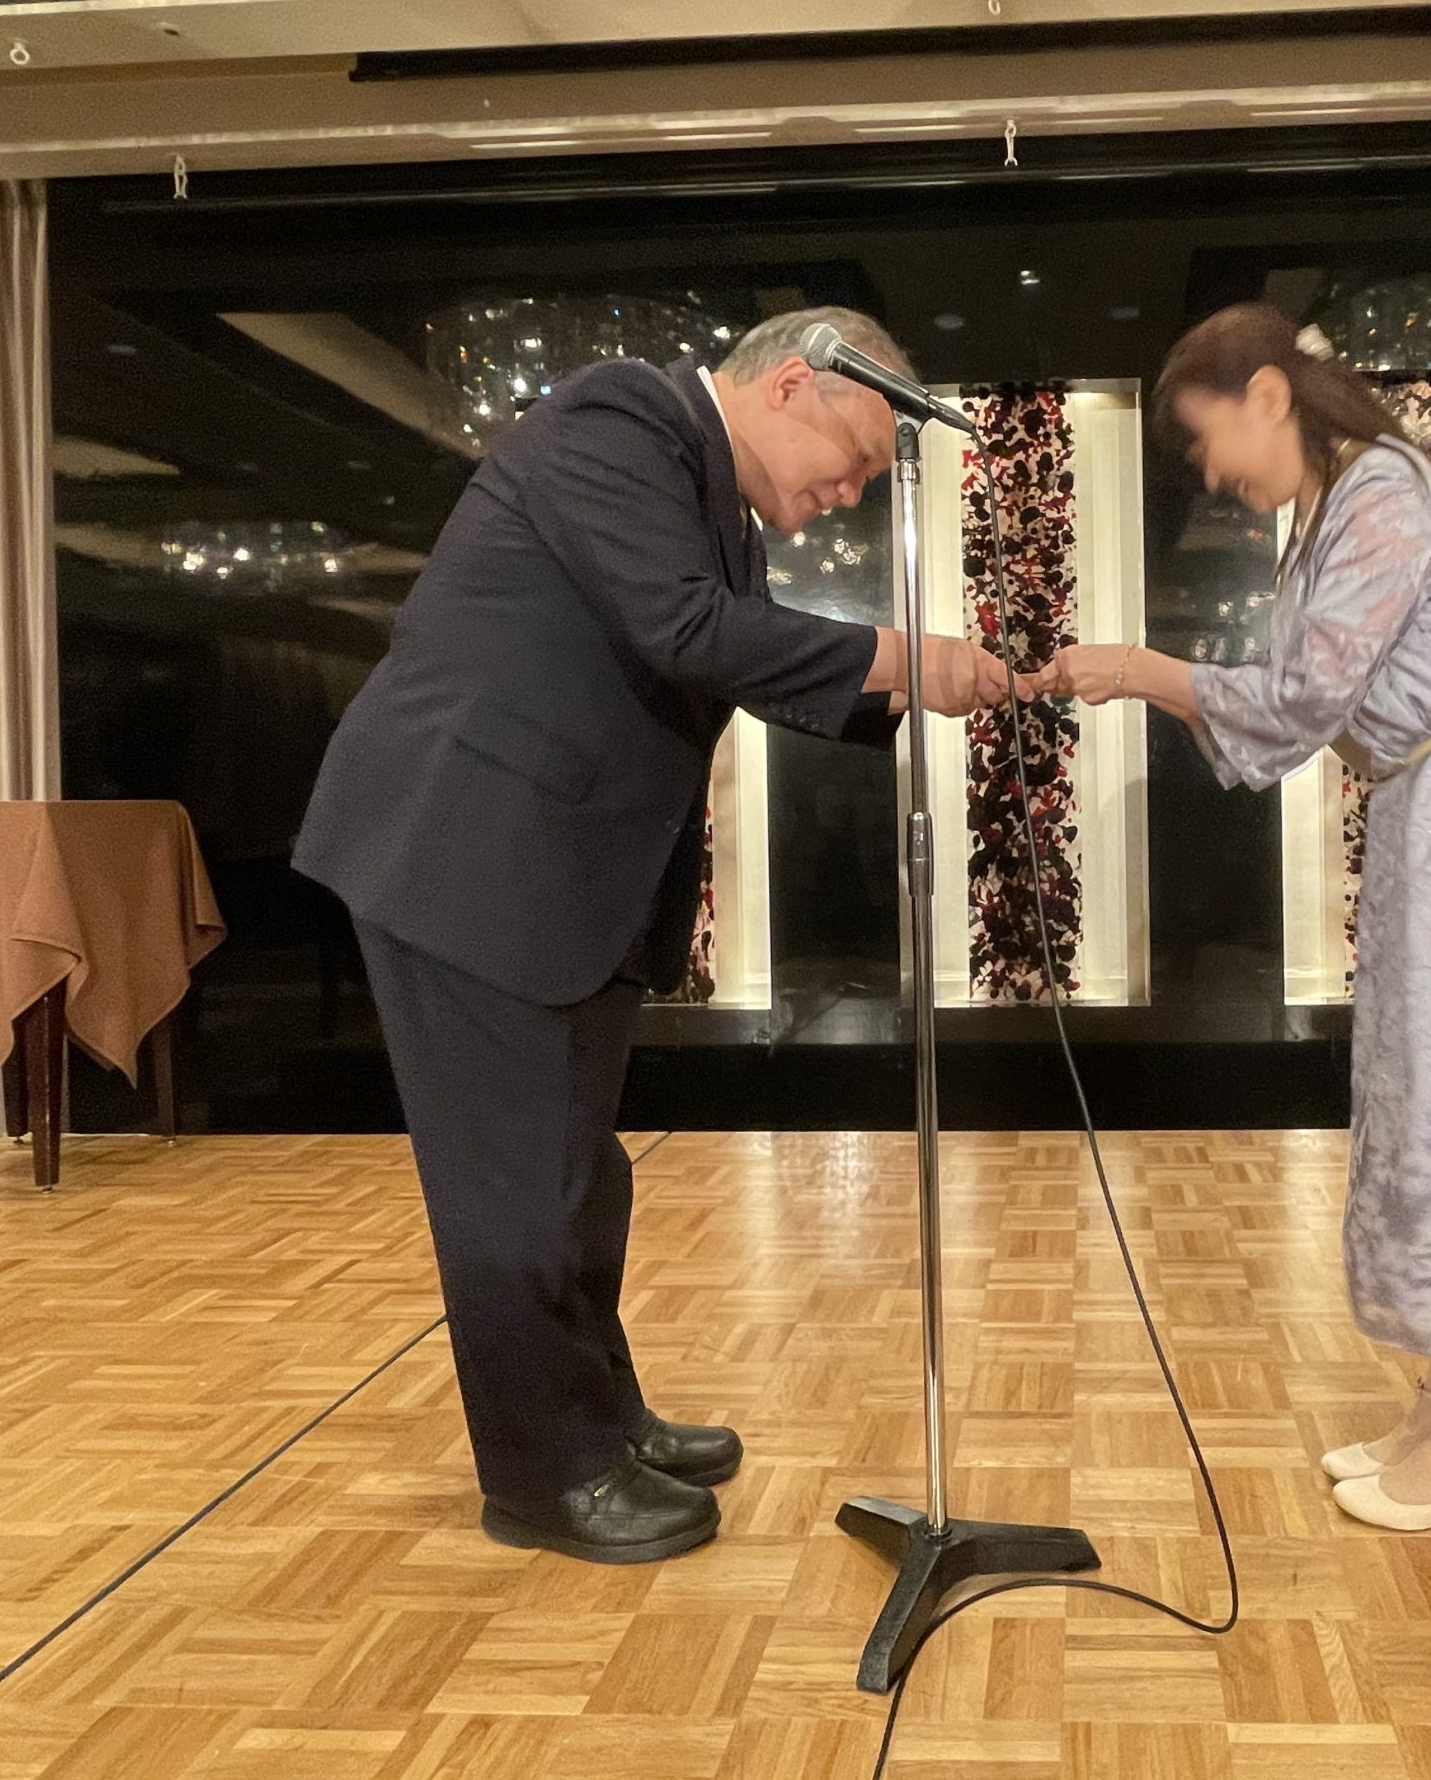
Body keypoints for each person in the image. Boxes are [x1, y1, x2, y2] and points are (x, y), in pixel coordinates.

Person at [294, 309, 1021, 1564]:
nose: (849, 494)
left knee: (577, 1174)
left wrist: (910, 683)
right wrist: (904, 652)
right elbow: (687, 631)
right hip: (463, 853)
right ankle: (545, 1477)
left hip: (549, 869)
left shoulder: (711, 500)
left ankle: (599, 1419)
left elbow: (724, 658)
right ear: (790, 386)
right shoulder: (619, 416)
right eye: (851, 460)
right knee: (516, 1189)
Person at [1031, 304, 1431, 1531]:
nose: (1209, 472)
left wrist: (1142, 670)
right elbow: (1309, 703)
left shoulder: (1380, 489)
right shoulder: (1334, 507)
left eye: (1207, 438)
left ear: (1268, 396)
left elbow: (1304, 696)